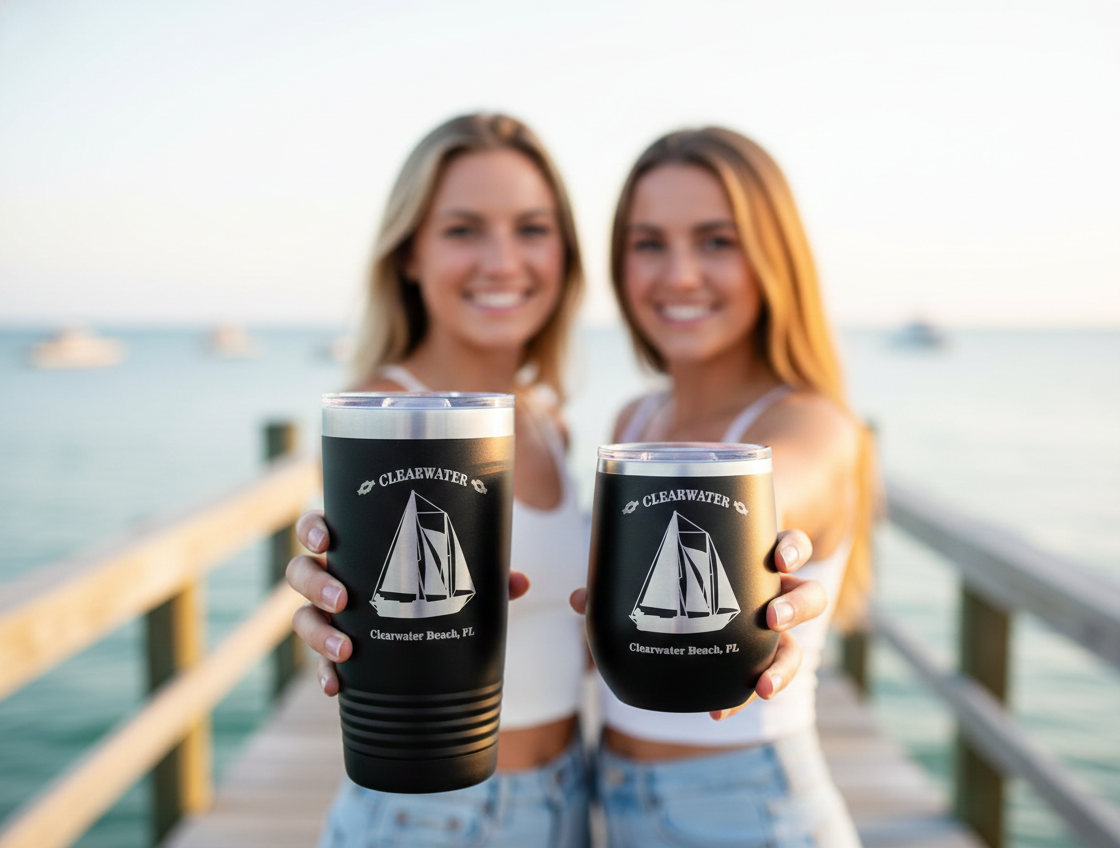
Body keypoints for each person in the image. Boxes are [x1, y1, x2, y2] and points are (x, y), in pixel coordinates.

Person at [285, 113, 826, 847]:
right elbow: (350, 576)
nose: (503, 261)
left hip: (574, 800)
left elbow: (782, 489)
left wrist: (758, 578)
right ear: (407, 255)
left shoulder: (546, 424)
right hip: (433, 814)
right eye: (463, 229)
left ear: (568, 257)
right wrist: (327, 601)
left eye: (533, 229)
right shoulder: (379, 423)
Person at [585, 127, 876, 847]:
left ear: (774, 260)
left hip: (750, 807)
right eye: (649, 242)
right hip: (612, 796)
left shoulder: (814, 423)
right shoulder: (636, 417)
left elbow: (769, 499)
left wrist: (760, 549)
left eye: (717, 241)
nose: (679, 274)